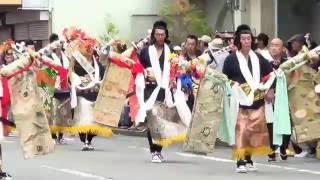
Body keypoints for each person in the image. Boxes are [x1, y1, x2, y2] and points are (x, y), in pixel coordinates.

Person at [223, 24, 274, 173]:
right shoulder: (231, 59)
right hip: (239, 99)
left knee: (252, 130)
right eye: (243, 38)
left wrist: (270, 89)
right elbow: (225, 78)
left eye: (249, 38)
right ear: (239, 41)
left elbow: (270, 74)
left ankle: (249, 158)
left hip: (256, 98)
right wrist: (234, 87)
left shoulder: (259, 58)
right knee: (241, 129)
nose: (246, 41)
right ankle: (240, 161)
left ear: (252, 41)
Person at [138, 20, 174, 163]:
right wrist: (145, 73)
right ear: (153, 35)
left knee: (162, 121)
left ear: (166, 35)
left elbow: (176, 69)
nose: (160, 37)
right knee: (152, 120)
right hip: (150, 89)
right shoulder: (146, 50)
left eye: (162, 34)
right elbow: (138, 68)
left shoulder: (170, 50)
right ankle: (153, 151)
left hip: (164, 89)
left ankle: (158, 150)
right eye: (157, 34)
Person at [266, 38, 290, 162]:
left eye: (277, 45)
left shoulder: (287, 63)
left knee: (285, 121)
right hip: (269, 96)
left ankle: (283, 148)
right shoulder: (265, 63)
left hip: (284, 97)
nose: (274, 47)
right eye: (272, 45)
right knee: (271, 123)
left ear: (282, 48)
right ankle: (272, 148)